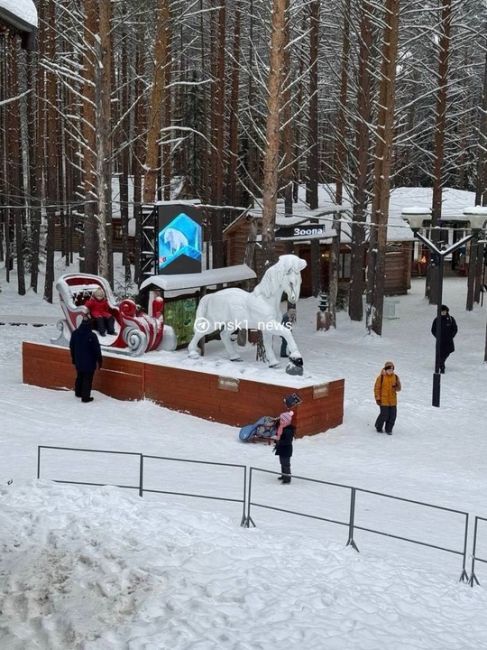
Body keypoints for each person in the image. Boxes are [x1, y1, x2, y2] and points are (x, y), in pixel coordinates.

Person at [70, 314, 103, 402]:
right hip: (89, 362)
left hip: (78, 360)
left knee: (80, 376)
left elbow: (72, 347)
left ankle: (78, 392)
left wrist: (73, 358)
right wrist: (100, 361)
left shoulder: (75, 333)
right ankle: (85, 397)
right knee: (87, 379)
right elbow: (97, 350)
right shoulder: (92, 336)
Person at [374, 361, 401, 435]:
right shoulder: (381, 377)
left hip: (393, 400)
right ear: (385, 369)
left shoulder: (395, 377)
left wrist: (397, 387)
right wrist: (377, 398)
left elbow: (399, 388)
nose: (390, 371)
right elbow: (377, 388)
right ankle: (378, 426)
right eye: (389, 370)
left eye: (392, 370)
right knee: (384, 415)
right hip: (383, 400)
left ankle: (389, 429)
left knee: (393, 416)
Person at [431, 304, 457, 373]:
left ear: (447, 311)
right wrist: (437, 336)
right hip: (440, 341)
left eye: (444, 311)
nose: (443, 313)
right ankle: (442, 367)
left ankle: (441, 364)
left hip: (449, 341)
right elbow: (433, 330)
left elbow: (455, 328)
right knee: (440, 354)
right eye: (442, 311)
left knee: (447, 353)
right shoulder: (437, 320)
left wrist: (451, 336)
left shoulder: (451, 319)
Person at [274, 410, 294, 483]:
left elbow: (287, 441)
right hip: (282, 448)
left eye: (282, 420)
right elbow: (279, 435)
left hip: (286, 449)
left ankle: (287, 479)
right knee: (282, 463)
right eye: (280, 420)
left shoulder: (288, 430)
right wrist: (276, 440)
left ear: (287, 421)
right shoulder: (281, 427)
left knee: (286, 464)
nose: (280, 421)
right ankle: (283, 475)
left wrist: (279, 441)